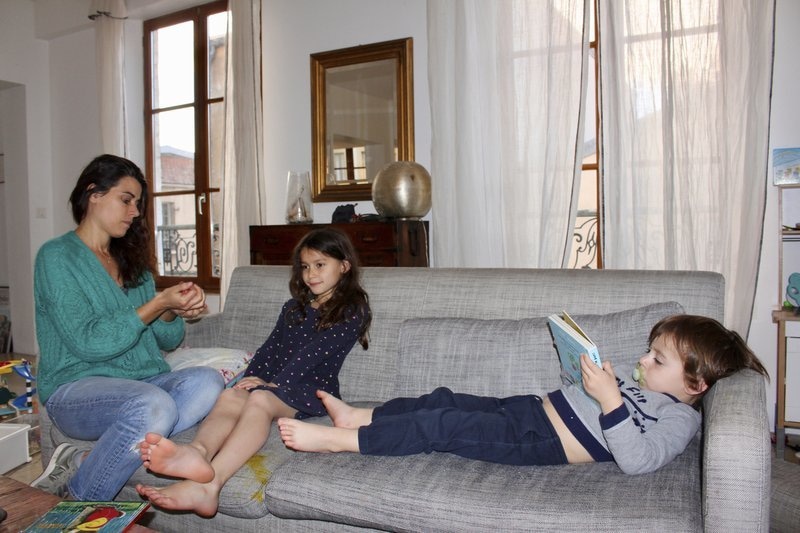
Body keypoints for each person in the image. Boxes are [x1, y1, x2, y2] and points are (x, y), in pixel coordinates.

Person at [278, 314, 768, 475]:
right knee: (442, 397)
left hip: (538, 440)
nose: (644, 361)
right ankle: (359, 415)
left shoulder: (681, 420)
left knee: (443, 427)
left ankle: (339, 441)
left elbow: (638, 460)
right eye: (649, 351)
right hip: (532, 407)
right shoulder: (635, 383)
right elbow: (583, 396)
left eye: (657, 361)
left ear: (696, 385)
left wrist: (612, 401)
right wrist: (580, 367)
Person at [135, 227, 371, 517]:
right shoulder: (293, 308)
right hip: (279, 387)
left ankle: (211, 485)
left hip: (313, 392)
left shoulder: (352, 310)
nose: (311, 274)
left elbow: (310, 357)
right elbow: (270, 348)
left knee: (260, 400)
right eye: (305, 267)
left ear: (344, 266)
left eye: (320, 265)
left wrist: (271, 385)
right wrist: (252, 378)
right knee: (232, 396)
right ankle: (198, 452)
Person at [31, 154, 225, 500]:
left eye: (138, 204)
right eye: (126, 200)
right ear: (94, 194)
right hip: (75, 389)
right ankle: (80, 506)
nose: (134, 212)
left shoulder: (132, 262)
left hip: (139, 384)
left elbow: (167, 339)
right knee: (155, 405)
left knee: (208, 382)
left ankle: (85, 459)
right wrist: (157, 303)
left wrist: (171, 310)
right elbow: (89, 342)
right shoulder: (57, 257)